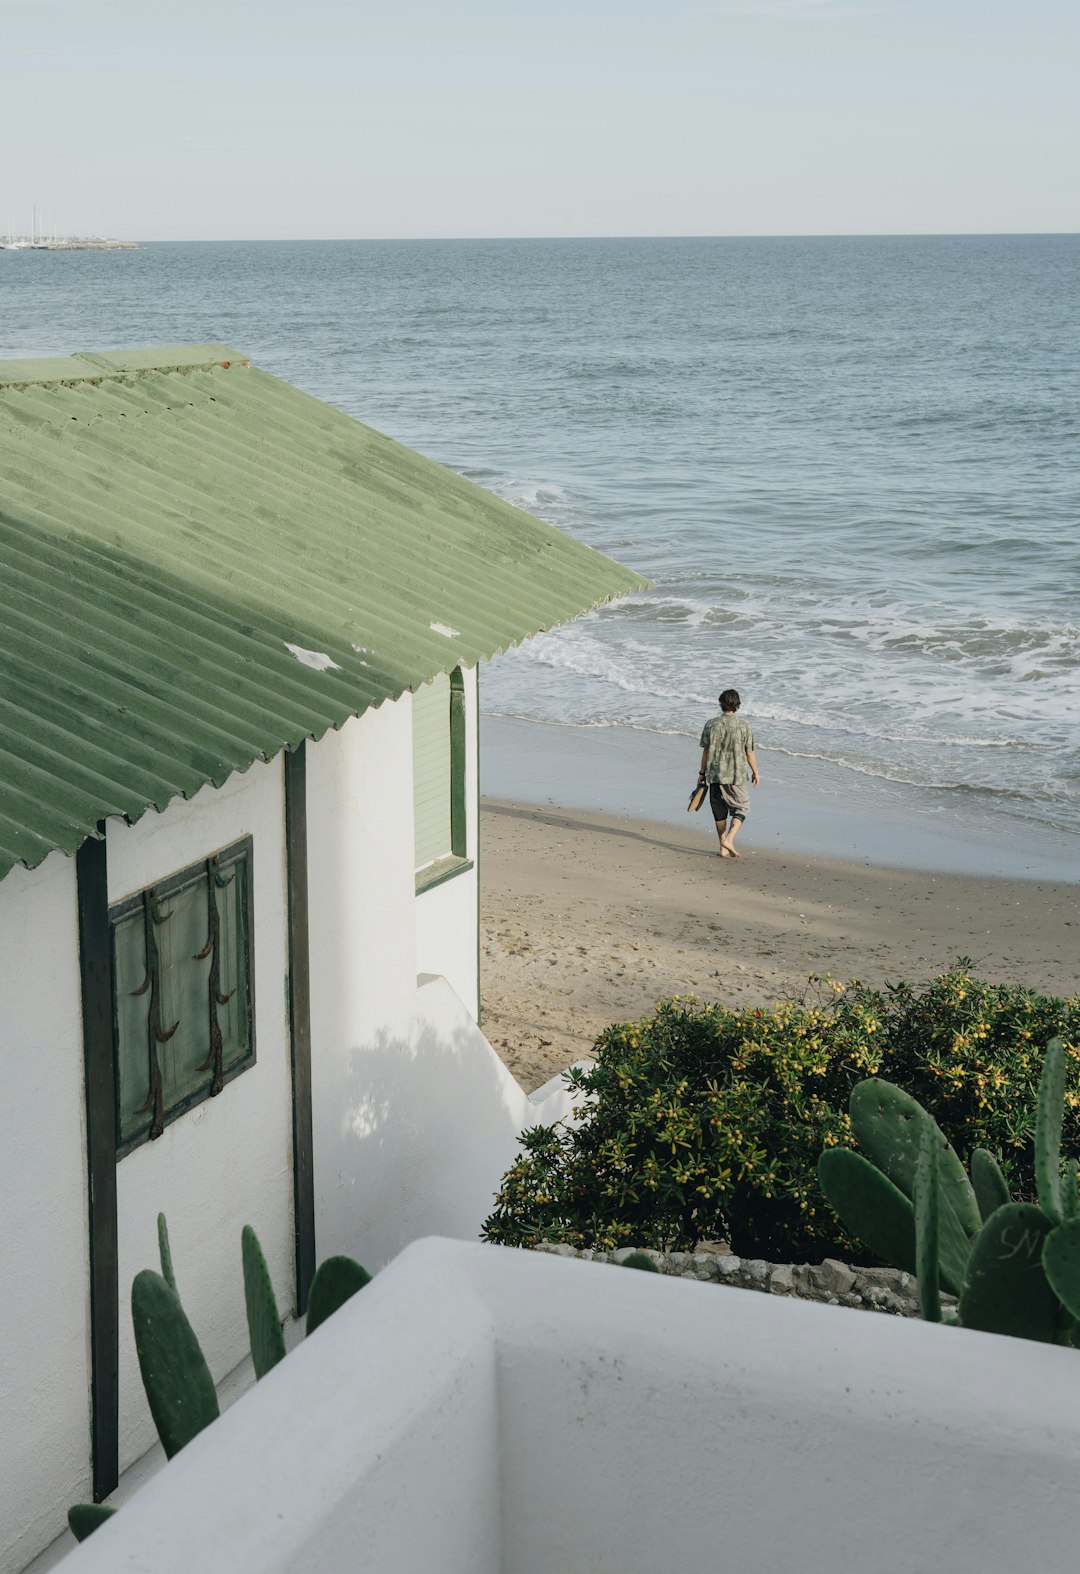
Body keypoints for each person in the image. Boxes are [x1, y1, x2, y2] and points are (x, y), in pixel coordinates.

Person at [697, 688, 760, 859]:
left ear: (721, 703)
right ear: (737, 705)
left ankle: (722, 847)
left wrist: (702, 773)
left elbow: (706, 752)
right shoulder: (744, 726)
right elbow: (749, 752)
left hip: (715, 774)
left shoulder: (711, 724)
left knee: (719, 811)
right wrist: (756, 772)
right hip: (736, 775)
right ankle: (730, 839)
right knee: (743, 807)